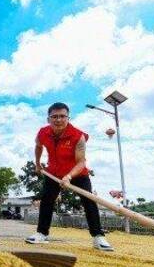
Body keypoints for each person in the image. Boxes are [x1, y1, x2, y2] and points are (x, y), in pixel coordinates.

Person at [25, 102, 114, 251]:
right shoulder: (42, 133)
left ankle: (98, 237)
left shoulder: (78, 136)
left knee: (89, 201)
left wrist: (69, 176)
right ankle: (41, 233)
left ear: (68, 118)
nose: (58, 120)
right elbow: (38, 146)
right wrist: (37, 163)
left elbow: (81, 162)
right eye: (54, 116)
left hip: (77, 173)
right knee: (47, 200)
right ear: (48, 119)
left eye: (62, 116)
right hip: (53, 172)